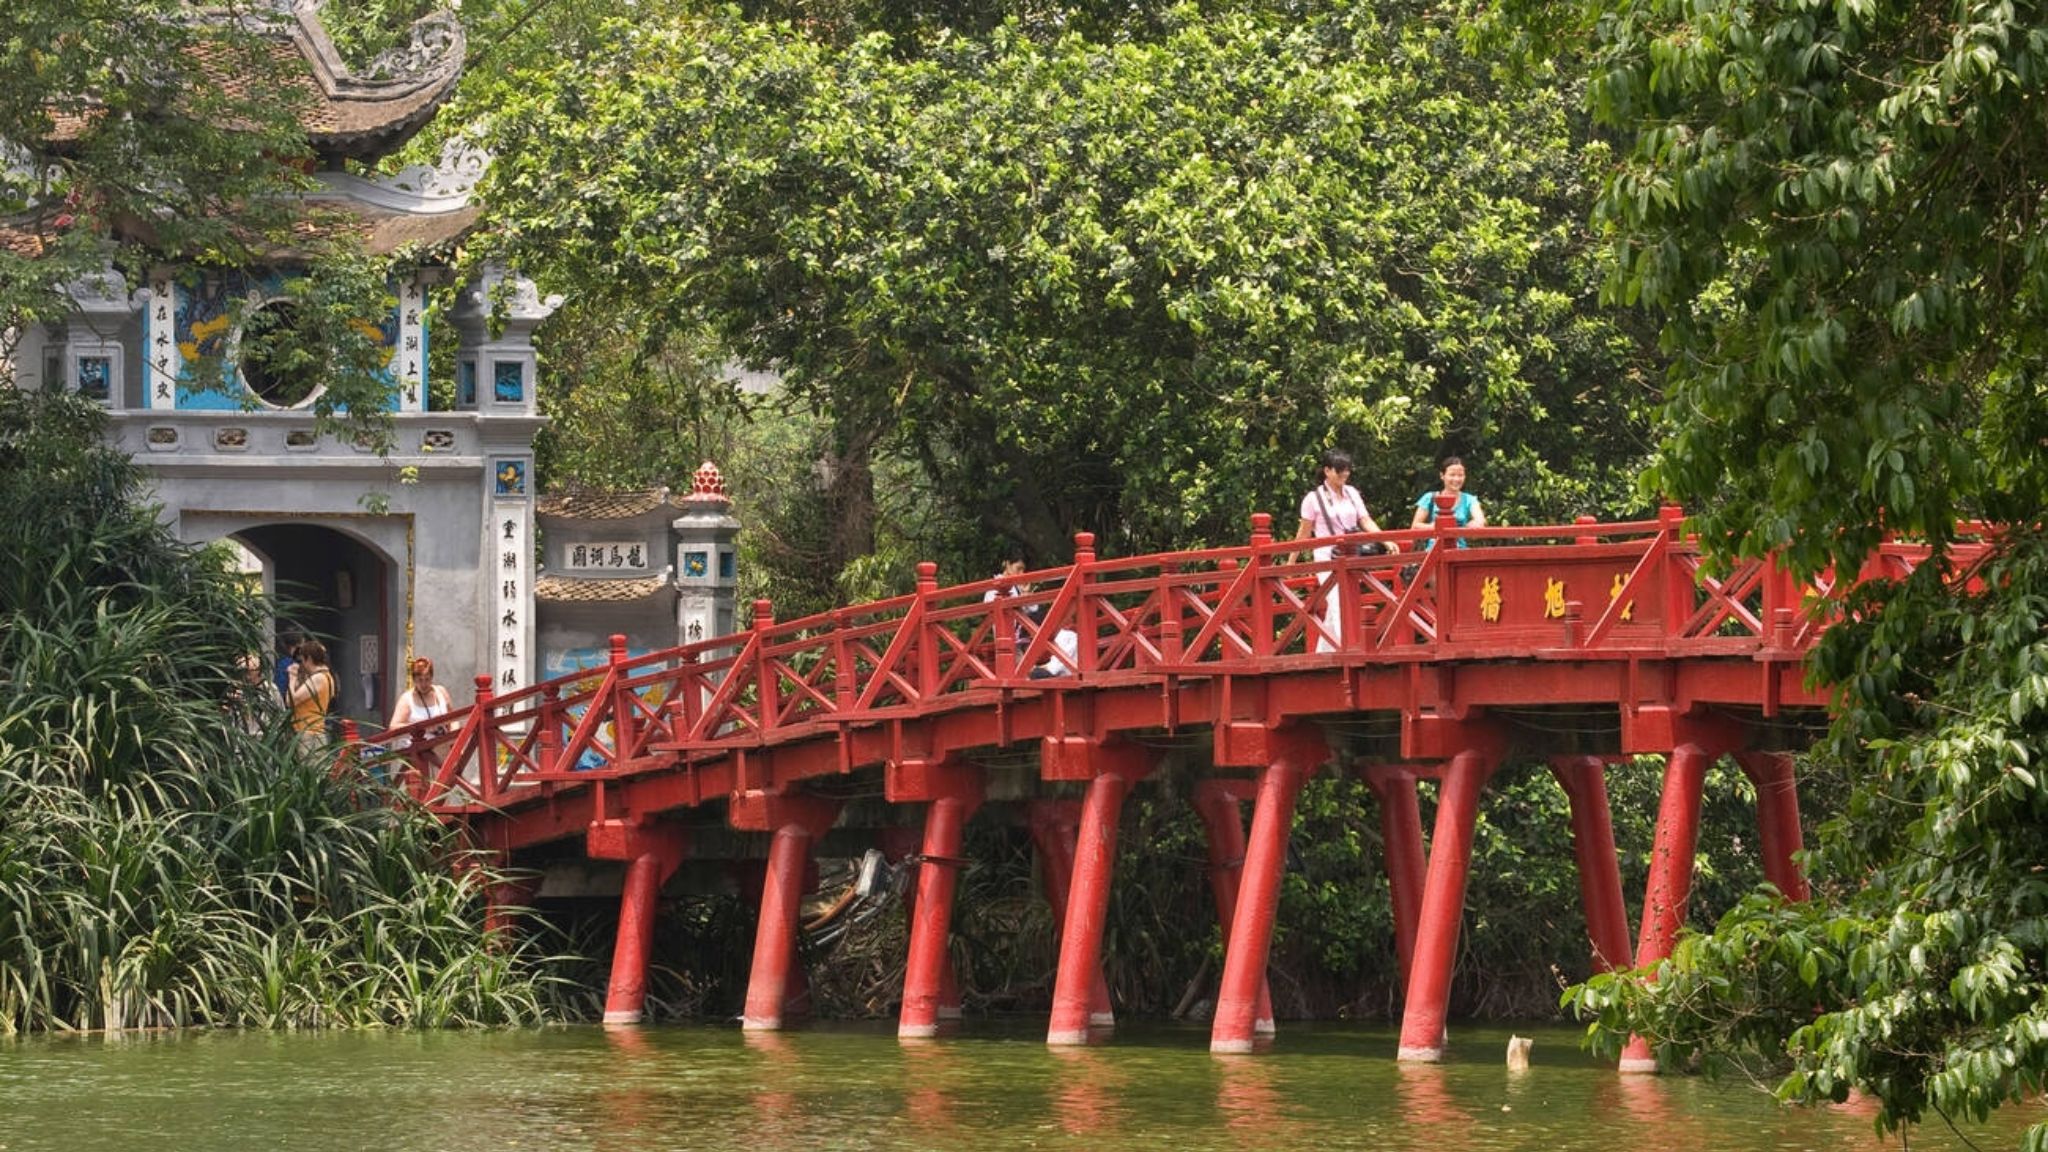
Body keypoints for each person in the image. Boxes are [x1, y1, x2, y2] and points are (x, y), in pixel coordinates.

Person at [1292, 449, 1396, 654]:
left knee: (1339, 602)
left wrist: (1385, 540)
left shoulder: (1352, 493)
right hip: (1327, 557)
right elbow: (1303, 533)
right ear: (1327, 471)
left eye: (1347, 470)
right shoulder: (1313, 499)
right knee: (1337, 599)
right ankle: (1349, 648)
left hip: (1351, 555)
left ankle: (1322, 654)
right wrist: (1291, 562)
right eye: (1339, 470)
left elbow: (1365, 520)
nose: (1344, 474)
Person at [1410, 455, 1487, 548]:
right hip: (1433, 552)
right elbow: (1415, 526)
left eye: (1460, 475)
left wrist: (1474, 524)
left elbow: (1480, 521)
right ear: (1442, 476)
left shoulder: (1469, 499)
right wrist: (1435, 527)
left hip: (1459, 551)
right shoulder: (1430, 498)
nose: (1456, 479)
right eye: (1452, 475)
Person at [387, 656, 453, 741]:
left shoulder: (441, 692)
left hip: (442, 742)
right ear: (414, 679)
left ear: (432, 677)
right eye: (420, 680)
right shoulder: (407, 699)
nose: (424, 684)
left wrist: (456, 739)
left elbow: (452, 720)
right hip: (418, 747)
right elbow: (393, 727)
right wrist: (421, 727)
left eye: (427, 679)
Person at [286, 639, 335, 750]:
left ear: (309, 659)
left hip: (309, 734)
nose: (302, 664)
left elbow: (291, 701)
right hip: (310, 732)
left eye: (303, 660)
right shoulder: (326, 676)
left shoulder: (318, 678)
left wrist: (292, 677)